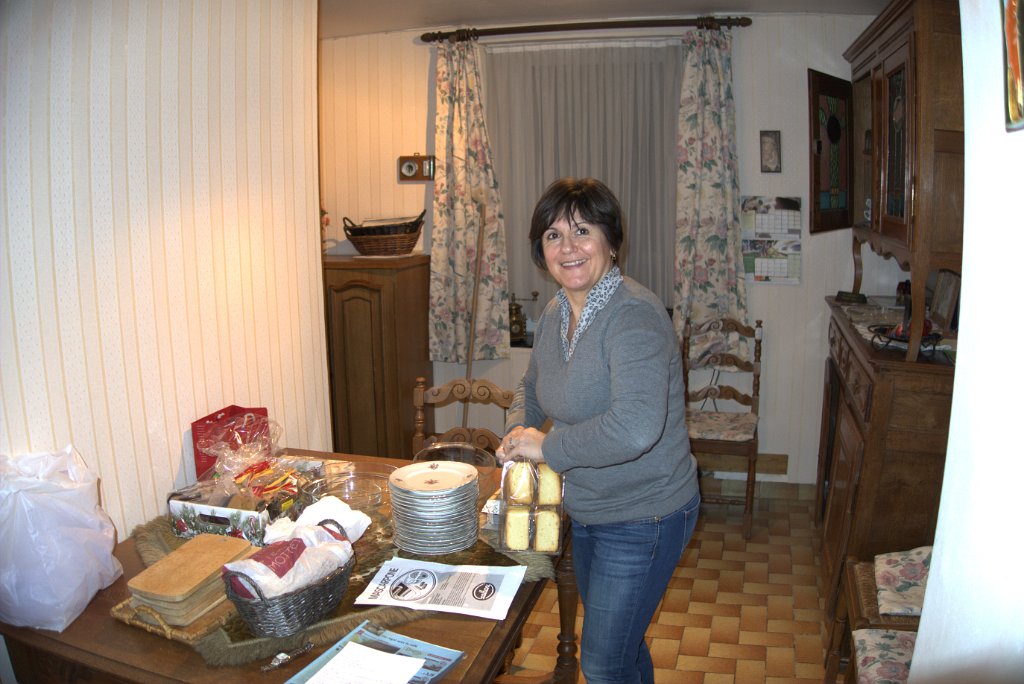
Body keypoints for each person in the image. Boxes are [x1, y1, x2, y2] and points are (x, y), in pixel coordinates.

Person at [497, 177, 701, 684]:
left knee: (604, 662)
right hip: (589, 507)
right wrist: (518, 427)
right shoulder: (555, 311)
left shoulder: (633, 316)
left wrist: (547, 446)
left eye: (582, 231)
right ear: (540, 250)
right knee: (622, 648)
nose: (568, 247)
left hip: (645, 513)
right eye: (553, 235)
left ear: (611, 241)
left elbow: (635, 428)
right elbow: (531, 385)